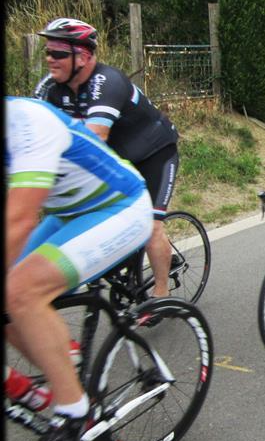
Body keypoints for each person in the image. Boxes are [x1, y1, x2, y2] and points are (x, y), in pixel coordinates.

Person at [5, 96, 153, 441]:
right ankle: (59, 365)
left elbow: (19, 221)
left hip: (121, 206)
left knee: (19, 290)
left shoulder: (27, 121)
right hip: (67, 214)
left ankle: (73, 412)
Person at [33, 18, 179, 299]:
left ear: (84, 56)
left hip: (155, 155)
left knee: (151, 226)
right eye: (48, 52)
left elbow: (93, 141)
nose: (50, 59)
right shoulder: (51, 88)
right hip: (117, 163)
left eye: (59, 53)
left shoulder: (107, 82)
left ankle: (161, 296)